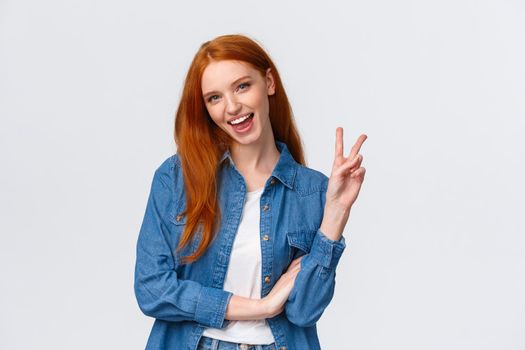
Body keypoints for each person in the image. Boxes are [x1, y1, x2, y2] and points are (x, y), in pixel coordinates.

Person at [134, 34, 367, 350]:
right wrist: (262, 307)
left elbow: (305, 311)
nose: (232, 107)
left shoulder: (312, 190)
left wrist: (336, 214)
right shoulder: (176, 178)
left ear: (269, 82)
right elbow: (151, 290)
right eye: (214, 98)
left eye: (242, 86)